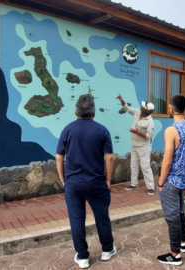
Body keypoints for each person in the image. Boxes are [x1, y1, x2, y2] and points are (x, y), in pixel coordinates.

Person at [56, 94, 116, 269]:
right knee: (102, 216)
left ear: (76, 111)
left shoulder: (67, 130)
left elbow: (59, 156)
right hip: (96, 182)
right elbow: (109, 157)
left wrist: (62, 178)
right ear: (94, 112)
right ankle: (107, 250)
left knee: (77, 219)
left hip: (73, 183)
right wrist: (108, 179)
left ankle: (82, 257)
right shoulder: (102, 130)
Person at [156, 94, 185, 266]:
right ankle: (183, 243)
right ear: (184, 108)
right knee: (180, 212)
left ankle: (175, 255)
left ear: (171, 109)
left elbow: (167, 160)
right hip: (184, 180)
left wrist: (160, 183)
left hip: (172, 181)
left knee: (172, 217)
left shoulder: (171, 130)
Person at [116, 94, 156, 195]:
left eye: (143, 107)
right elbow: (127, 109)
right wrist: (122, 100)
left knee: (145, 166)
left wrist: (137, 132)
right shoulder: (137, 112)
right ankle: (134, 184)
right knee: (133, 164)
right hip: (134, 144)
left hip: (143, 146)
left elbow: (148, 136)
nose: (141, 107)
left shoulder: (150, 121)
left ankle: (150, 187)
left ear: (147, 111)